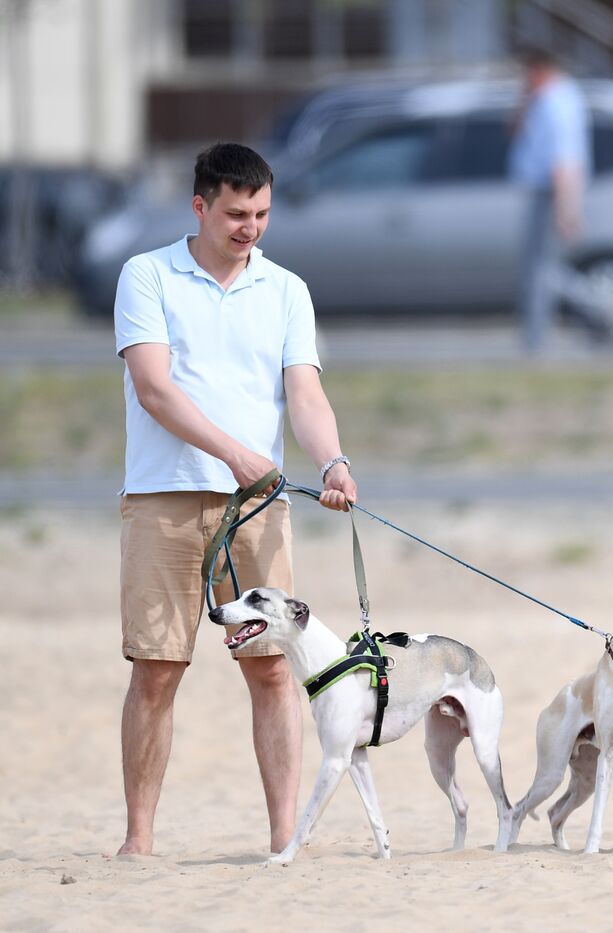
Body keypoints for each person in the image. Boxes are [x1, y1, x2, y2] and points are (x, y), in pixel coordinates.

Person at [113, 143, 357, 856]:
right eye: (235, 213)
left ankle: (284, 834)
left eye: (262, 213)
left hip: (259, 507)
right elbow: (154, 388)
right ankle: (139, 837)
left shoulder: (286, 289)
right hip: (163, 498)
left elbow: (304, 394)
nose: (250, 226)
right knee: (157, 668)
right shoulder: (148, 275)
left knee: (274, 666)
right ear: (200, 206)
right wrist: (236, 452)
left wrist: (332, 460)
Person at [507, 44, 598, 352]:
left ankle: (597, 309)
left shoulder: (557, 102)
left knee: (541, 270)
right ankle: (535, 336)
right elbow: (514, 131)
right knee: (540, 268)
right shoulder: (544, 99)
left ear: (538, 68)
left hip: (552, 192)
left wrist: (566, 208)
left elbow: (565, 159)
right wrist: (524, 99)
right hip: (543, 190)